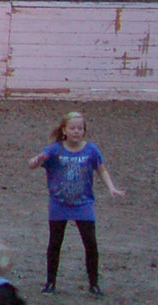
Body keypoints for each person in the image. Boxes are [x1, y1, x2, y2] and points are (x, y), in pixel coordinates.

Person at [30, 110, 123, 295]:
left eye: (80, 128)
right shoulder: (55, 149)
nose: (76, 131)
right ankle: (50, 283)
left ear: (84, 131)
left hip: (83, 204)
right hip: (59, 203)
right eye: (72, 128)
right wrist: (37, 160)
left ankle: (94, 284)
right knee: (55, 244)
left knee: (91, 244)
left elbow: (102, 170)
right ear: (64, 130)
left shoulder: (91, 150)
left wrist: (111, 187)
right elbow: (32, 164)